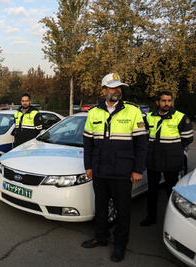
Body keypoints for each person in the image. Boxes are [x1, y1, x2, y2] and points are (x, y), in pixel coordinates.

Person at [81, 73, 147, 262]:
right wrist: (89, 166)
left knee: (123, 211)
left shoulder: (133, 111)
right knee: (100, 207)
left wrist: (137, 169)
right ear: (104, 91)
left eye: (119, 87)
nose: (117, 90)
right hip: (100, 170)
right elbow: (88, 143)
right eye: (113, 87)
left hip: (122, 171)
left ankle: (120, 245)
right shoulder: (93, 112)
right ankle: (101, 238)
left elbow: (141, 145)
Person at [140, 91, 194, 226]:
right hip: (153, 161)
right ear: (157, 102)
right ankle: (151, 217)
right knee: (151, 192)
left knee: (171, 192)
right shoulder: (149, 117)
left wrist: (173, 149)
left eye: (169, 101)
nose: (167, 103)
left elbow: (187, 138)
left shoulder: (180, 117)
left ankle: (172, 221)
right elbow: (144, 136)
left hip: (172, 161)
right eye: (164, 101)